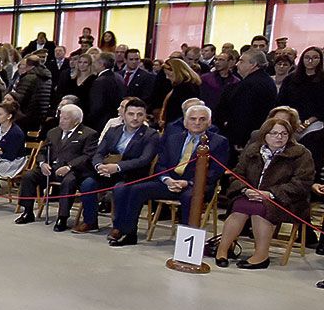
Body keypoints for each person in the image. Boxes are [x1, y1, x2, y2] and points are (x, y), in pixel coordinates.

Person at [105, 105, 229, 247]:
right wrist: (167, 179)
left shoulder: (219, 142)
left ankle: (185, 244)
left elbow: (215, 172)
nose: (197, 122)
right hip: (169, 182)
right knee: (135, 189)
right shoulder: (173, 139)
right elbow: (161, 165)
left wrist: (187, 183)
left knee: (189, 197)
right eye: (193, 119)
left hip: (196, 186)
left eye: (202, 119)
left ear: (209, 122)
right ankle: (128, 233)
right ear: (185, 122)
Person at [214, 117, 315, 269]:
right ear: (264, 135)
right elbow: (237, 174)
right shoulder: (253, 150)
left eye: (284, 134)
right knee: (239, 207)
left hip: (286, 201)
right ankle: (222, 250)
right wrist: (245, 189)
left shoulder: (301, 154)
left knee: (260, 210)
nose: (279, 137)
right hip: (250, 195)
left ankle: (261, 256)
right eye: (274, 133)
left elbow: (302, 183)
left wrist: (270, 194)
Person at [73, 97, 160, 233]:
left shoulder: (151, 135)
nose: (135, 118)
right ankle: (90, 222)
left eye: (140, 114)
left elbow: (144, 160)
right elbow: (98, 153)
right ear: (124, 114)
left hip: (132, 174)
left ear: (145, 116)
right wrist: (99, 166)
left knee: (120, 189)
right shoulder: (113, 130)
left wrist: (117, 167)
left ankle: (119, 227)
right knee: (88, 184)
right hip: (107, 171)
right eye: (131, 114)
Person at [14, 104, 98, 231]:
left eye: (66, 118)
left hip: (73, 171)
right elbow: (42, 151)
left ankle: (62, 217)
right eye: (61, 117)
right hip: (51, 168)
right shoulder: (53, 132)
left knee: (68, 182)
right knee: (29, 176)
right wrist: (42, 163)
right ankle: (28, 211)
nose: (61, 121)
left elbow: (88, 156)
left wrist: (69, 166)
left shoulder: (88, 134)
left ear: (76, 121)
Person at [217, 48, 277, 155]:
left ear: (253, 64)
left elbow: (243, 114)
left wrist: (239, 139)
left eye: (241, 61)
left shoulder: (249, 84)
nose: (237, 64)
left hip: (245, 140)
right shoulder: (267, 80)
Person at [6, 55, 53, 133]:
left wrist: (11, 94)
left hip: (27, 115)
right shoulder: (46, 77)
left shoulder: (29, 78)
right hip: (41, 113)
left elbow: (21, 97)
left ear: (28, 65)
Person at [86, 52, 126, 131]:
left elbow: (97, 106)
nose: (93, 65)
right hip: (116, 121)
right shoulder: (118, 77)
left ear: (101, 64)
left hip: (100, 123)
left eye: (95, 62)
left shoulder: (100, 81)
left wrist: (88, 120)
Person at [157, 57, 201, 127]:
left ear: (177, 73)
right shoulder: (180, 86)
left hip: (179, 126)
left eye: (169, 75)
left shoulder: (186, 88)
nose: (167, 78)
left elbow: (184, 111)